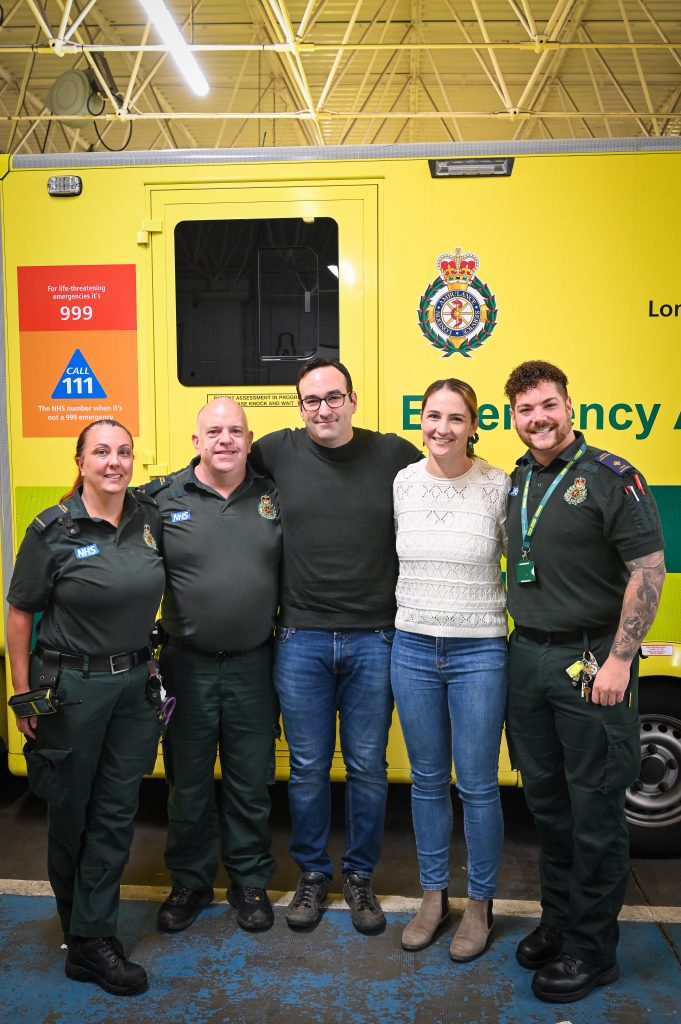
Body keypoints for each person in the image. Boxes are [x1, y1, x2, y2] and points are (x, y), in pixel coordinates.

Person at [504, 360, 665, 1004]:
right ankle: (561, 921)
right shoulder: (519, 479)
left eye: (547, 405)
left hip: (594, 660)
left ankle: (593, 951)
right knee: (547, 806)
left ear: (570, 405)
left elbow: (647, 568)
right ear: (510, 416)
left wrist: (622, 659)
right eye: (524, 410)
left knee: (595, 810)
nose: (537, 419)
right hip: (530, 658)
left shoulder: (610, 477)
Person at [250, 358, 421, 934]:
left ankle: (360, 877)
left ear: (352, 399)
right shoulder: (275, 451)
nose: (322, 409)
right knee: (306, 767)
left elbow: (447, 486)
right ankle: (313, 875)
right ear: (300, 406)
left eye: (333, 397)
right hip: (300, 639)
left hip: (377, 638)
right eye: (311, 400)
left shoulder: (394, 454)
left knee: (369, 767)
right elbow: (210, 469)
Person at [6, 419, 165, 997]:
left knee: (117, 812)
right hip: (71, 690)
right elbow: (21, 611)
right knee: (70, 813)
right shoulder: (52, 530)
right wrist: (22, 693)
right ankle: (82, 931)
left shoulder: (148, 518)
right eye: (101, 452)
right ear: (80, 461)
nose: (114, 462)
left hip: (134, 688)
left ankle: (92, 938)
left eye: (124, 452)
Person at [151, 399, 281, 934]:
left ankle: (249, 881)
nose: (225, 440)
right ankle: (190, 880)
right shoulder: (161, 500)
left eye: (235, 431)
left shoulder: (275, 496)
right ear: (195, 440)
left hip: (255, 664)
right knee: (188, 784)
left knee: (252, 781)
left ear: (249, 439)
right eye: (214, 431)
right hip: (187, 665)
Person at [391, 379, 509, 962]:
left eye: (455, 418)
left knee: (480, 785)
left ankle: (481, 905)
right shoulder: (403, 483)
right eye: (432, 415)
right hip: (412, 646)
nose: (442, 428)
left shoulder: (498, 485)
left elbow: (527, 562)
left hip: (479, 651)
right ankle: (433, 898)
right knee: (427, 781)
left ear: (473, 425)